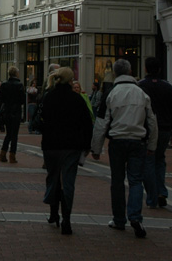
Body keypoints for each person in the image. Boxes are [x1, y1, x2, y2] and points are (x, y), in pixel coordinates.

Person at [90, 59, 157, 239]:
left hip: (117, 141)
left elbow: (101, 122)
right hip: (138, 140)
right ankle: (135, 216)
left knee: (117, 180)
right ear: (130, 70)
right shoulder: (142, 93)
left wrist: (96, 148)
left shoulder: (111, 93)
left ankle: (119, 218)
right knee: (136, 180)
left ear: (116, 73)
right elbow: (151, 120)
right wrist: (152, 144)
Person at [40, 67, 93, 235]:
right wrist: (86, 145)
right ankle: (67, 219)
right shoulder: (77, 99)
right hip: (72, 145)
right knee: (68, 181)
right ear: (70, 81)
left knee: (53, 177)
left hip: (51, 145)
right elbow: (87, 124)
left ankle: (53, 212)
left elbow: (41, 122)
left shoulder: (49, 98)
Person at [137, 57, 172, 208]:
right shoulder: (168, 87)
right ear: (160, 69)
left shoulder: (141, 86)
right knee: (160, 159)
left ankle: (152, 195)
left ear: (145, 69)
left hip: (146, 129)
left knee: (148, 161)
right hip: (164, 128)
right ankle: (161, 191)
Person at [0, 67, 25, 163]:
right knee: (14, 135)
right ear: (16, 74)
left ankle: (2, 154)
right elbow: (22, 100)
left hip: (7, 111)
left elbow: (0, 98)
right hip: (16, 111)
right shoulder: (19, 85)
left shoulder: (4, 84)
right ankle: (12, 156)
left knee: (8, 134)